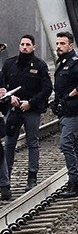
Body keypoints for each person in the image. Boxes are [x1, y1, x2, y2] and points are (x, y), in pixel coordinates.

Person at [1, 35, 52, 191]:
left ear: (33, 47)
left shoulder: (40, 65)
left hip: (31, 109)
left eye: (28, 44)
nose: (24, 47)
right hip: (13, 109)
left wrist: (31, 102)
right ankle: (5, 177)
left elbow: (47, 89)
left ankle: (32, 176)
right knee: (9, 143)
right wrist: (10, 98)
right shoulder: (9, 64)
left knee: (32, 143)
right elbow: (2, 87)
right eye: (22, 44)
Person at [51, 31, 78, 198]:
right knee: (74, 146)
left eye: (62, 43)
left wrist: (72, 94)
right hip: (65, 111)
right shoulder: (62, 62)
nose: (59, 47)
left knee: (66, 143)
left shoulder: (75, 63)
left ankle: (73, 182)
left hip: (74, 110)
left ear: (71, 45)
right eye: (58, 44)